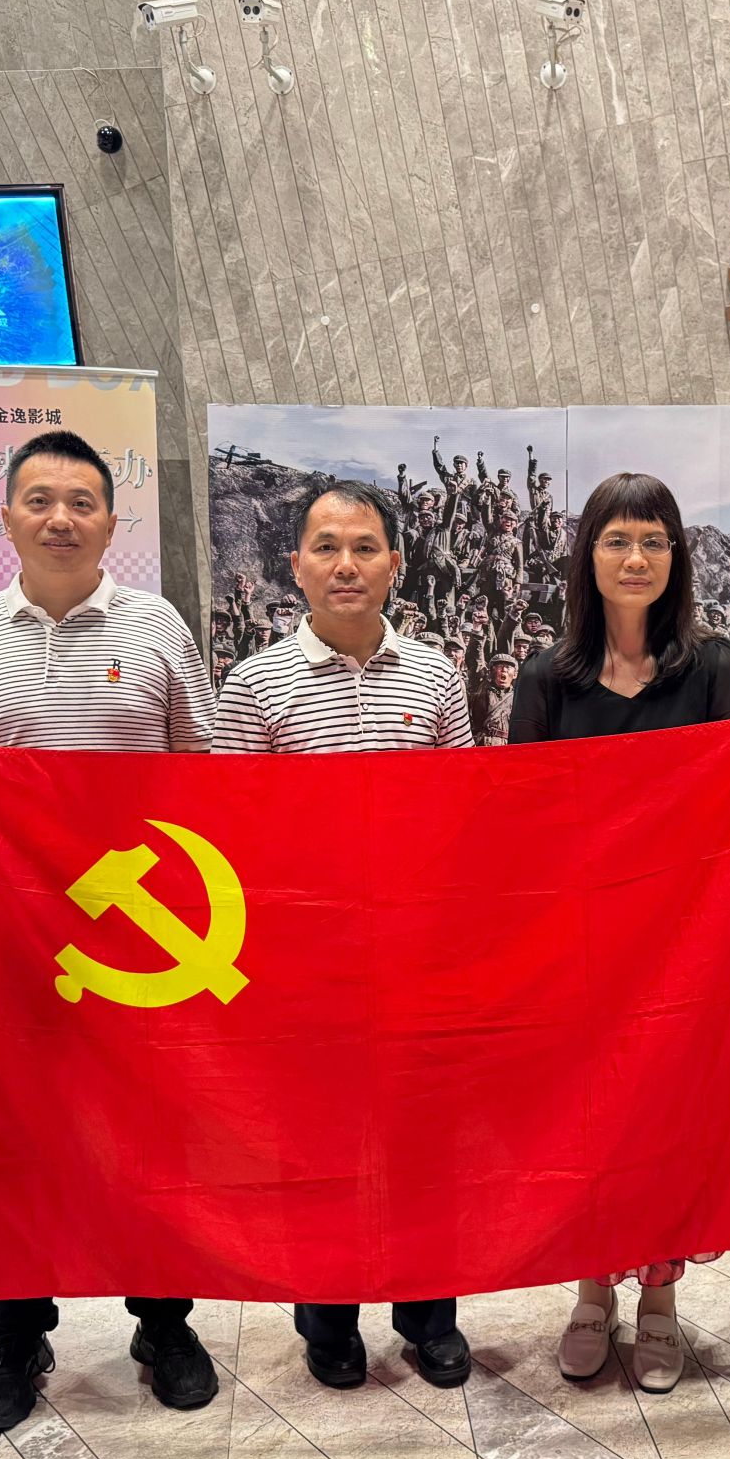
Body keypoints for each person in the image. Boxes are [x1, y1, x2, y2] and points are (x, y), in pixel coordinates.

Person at [0, 430, 220, 1431]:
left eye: (82, 502)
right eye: (40, 500)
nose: (61, 518)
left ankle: (163, 1319)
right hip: (15, 946)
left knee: (151, 1132)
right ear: (6, 516)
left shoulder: (156, 624)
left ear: (110, 519)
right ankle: (19, 1332)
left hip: (140, 945)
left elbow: (201, 769)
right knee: (19, 1135)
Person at [213, 476, 475, 1391]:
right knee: (317, 1147)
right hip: (306, 964)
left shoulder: (438, 676)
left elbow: (461, 819)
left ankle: (429, 1316)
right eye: (326, 547)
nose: (346, 565)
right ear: (296, 566)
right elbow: (234, 839)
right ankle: (327, 1316)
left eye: (364, 547)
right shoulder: (253, 685)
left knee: (422, 1146)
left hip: (415, 959)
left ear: (395, 564)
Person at [508, 471, 730, 1396]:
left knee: (664, 1122)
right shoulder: (546, 677)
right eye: (617, 540)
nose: (636, 558)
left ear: (675, 556)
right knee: (584, 1121)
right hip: (577, 946)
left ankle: (659, 1301)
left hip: (679, 944)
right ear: (589, 556)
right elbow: (521, 816)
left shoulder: (714, 667)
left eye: (654, 540)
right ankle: (588, 1293)